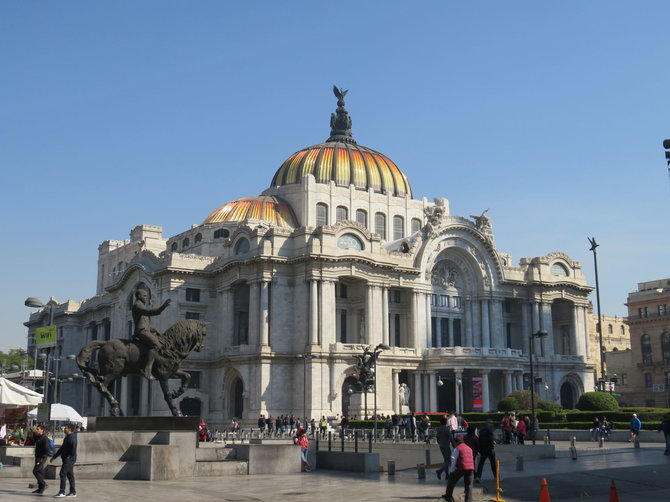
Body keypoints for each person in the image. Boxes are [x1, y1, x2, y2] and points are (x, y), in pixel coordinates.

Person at [132, 289, 171, 380]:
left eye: (146, 296)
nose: (146, 297)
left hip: (146, 330)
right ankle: (146, 369)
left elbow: (146, 324)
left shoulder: (141, 306)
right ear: (139, 296)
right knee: (156, 345)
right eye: (144, 296)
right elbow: (149, 312)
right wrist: (162, 307)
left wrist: (156, 331)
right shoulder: (138, 305)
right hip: (141, 331)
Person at [443, 435, 474, 502]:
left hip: (462, 468)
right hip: (471, 468)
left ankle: (448, 496)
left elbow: (453, 459)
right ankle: (468, 500)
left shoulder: (457, 449)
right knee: (469, 485)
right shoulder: (469, 448)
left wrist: (451, 471)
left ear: (455, 443)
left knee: (452, 479)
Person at [50, 423, 77, 498]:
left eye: (66, 428)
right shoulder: (67, 437)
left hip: (69, 459)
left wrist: (69, 458)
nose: (64, 429)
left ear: (70, 429)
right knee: (70, 475)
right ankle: (72, 492)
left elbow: (73, 449)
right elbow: (62, 448)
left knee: (62, 473)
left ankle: (62, 492)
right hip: (67, 459)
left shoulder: (72, 438)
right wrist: (54, 457)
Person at [31, 424, 50, 494]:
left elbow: (47, 449)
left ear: (42, 430)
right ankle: (40, 489)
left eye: (38, 429)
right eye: (36, 429)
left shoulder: (45, 439)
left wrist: (43, 458)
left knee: (35, 471)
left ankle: (44, 484)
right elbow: (34, 436)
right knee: (40, 472)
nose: (36, 430)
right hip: (37, 457)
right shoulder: (39, 437)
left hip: (42, 458)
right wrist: (34, 431)